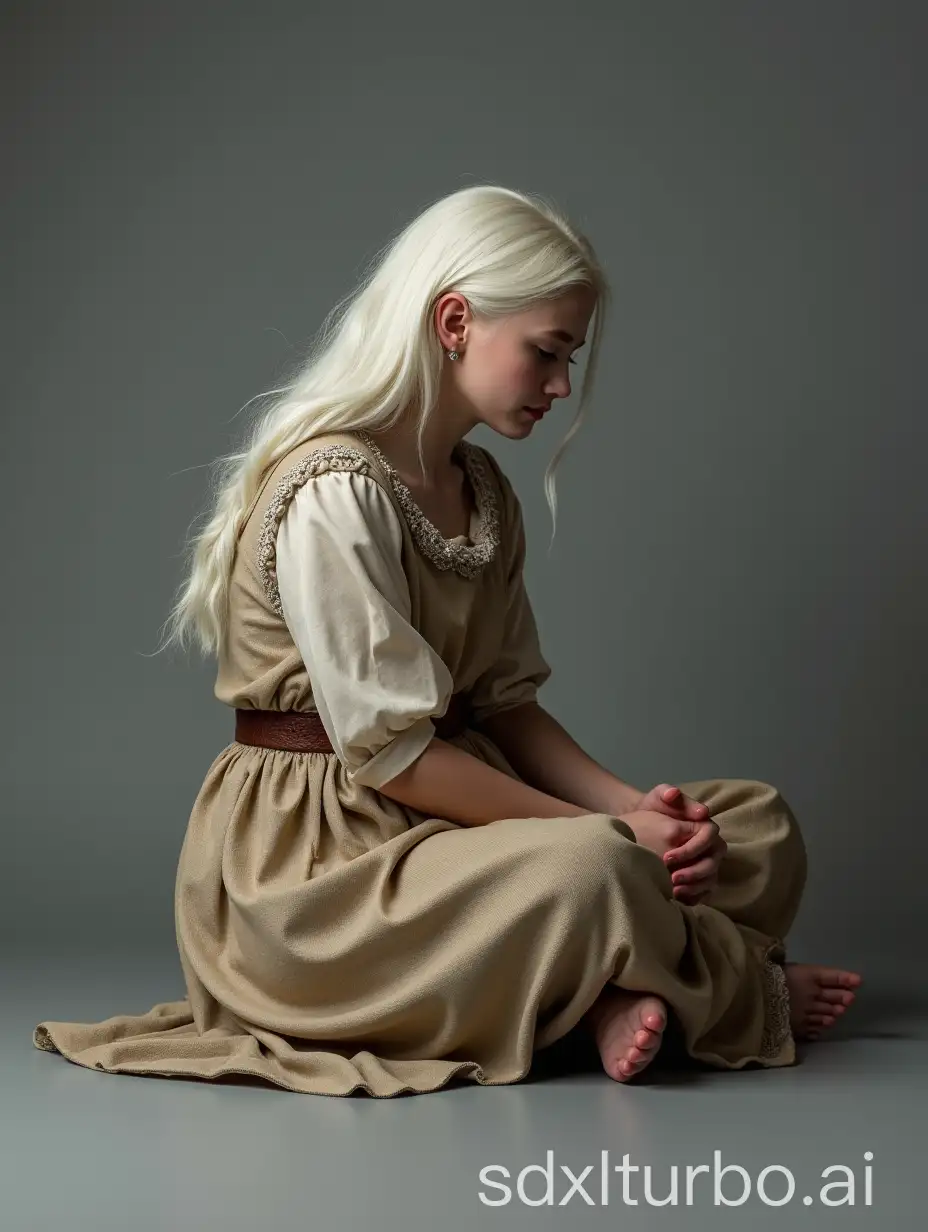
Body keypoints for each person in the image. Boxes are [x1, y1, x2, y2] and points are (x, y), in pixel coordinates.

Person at [33, 184, 861, 1096]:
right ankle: (718, 991)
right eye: (547, 353)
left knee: (751, 828)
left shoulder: (483, 492)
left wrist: (644, 810)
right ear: (456, 320)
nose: (560, 387)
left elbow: (508, 706)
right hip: (324, 871)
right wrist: (611, 833)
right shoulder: (335, 492)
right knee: (594, 865)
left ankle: (597, 982)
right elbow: (396, 761)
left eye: (569, 360)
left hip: (454, 821)